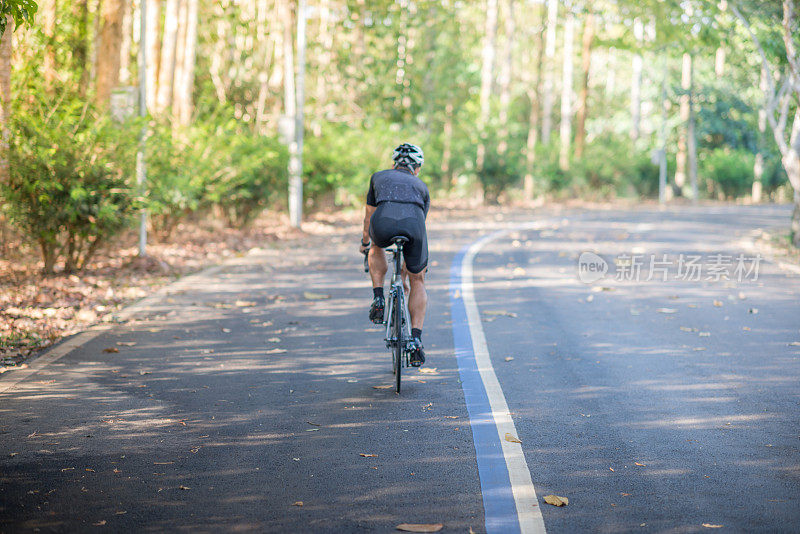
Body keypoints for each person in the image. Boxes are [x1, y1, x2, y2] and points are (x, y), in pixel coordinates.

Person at [359, 143, 430, 366]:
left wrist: (365, 243)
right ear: (417, 168)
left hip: (383, 223)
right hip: (414, 226)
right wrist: (405, 275)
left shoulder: (378, 178)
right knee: (418, 279)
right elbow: (415, 228)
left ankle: (379, 296)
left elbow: (368, 218)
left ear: (393, 164)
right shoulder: (422, 186)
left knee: (376, 247)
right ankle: (416, 341)